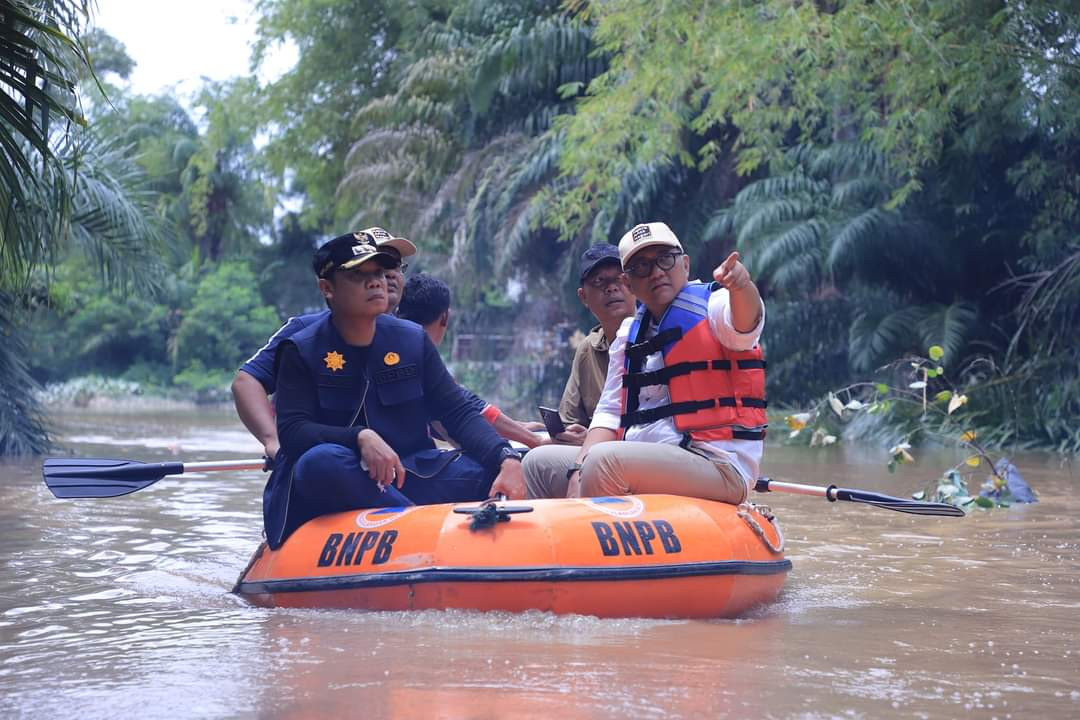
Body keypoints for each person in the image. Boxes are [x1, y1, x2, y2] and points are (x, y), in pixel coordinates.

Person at [263, 232, 526, 549]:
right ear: (327, 288)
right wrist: (359, 437)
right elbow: (292, 432)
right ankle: (418, 525)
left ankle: (426, 523)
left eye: (378, 273)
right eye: (358, 275)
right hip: (342, 479)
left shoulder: (412, 339)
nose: (374, 282)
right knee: (318, 462)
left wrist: (506, 457)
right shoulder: (301, 349)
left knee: (501, 464)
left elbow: (456, 411)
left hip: (408, 474)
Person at [523, 221, 767, 504]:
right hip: (647, 458)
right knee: (538, 462)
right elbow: (610, 412)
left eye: (665, 260)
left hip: (716, 463)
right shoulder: (629, 334)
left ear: (685, 265)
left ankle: (595, 538)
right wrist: (578, 469)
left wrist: (742, 286)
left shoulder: (716, 304)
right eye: (641, 267)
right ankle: (559, 539)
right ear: (629, 283)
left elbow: (746, 322)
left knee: (603, 461)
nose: (656, 273)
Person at [231, 227, 415, 462]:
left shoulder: (411, 341)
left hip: (402, 476)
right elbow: (246, 382)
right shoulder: (305, 335)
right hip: (329, 471)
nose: (385, 275)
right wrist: (274, 441)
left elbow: (448, 409)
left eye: (393, 265)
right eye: (369, 267)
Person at [397, 273, 547, 449]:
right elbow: (463, 408)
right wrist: (533, 439)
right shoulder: (418, 355)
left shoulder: (389, 342)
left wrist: (516, 427)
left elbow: (450, 413)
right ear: (445, 317)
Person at [555, 243, 636, 442]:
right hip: (595, 453)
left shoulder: (656, 336)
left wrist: (590, 438)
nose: (611, 288)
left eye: (619, 278)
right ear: (583, 296)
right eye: (599, 281)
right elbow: (570, 421)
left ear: (634, 283)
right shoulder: (588, 349)